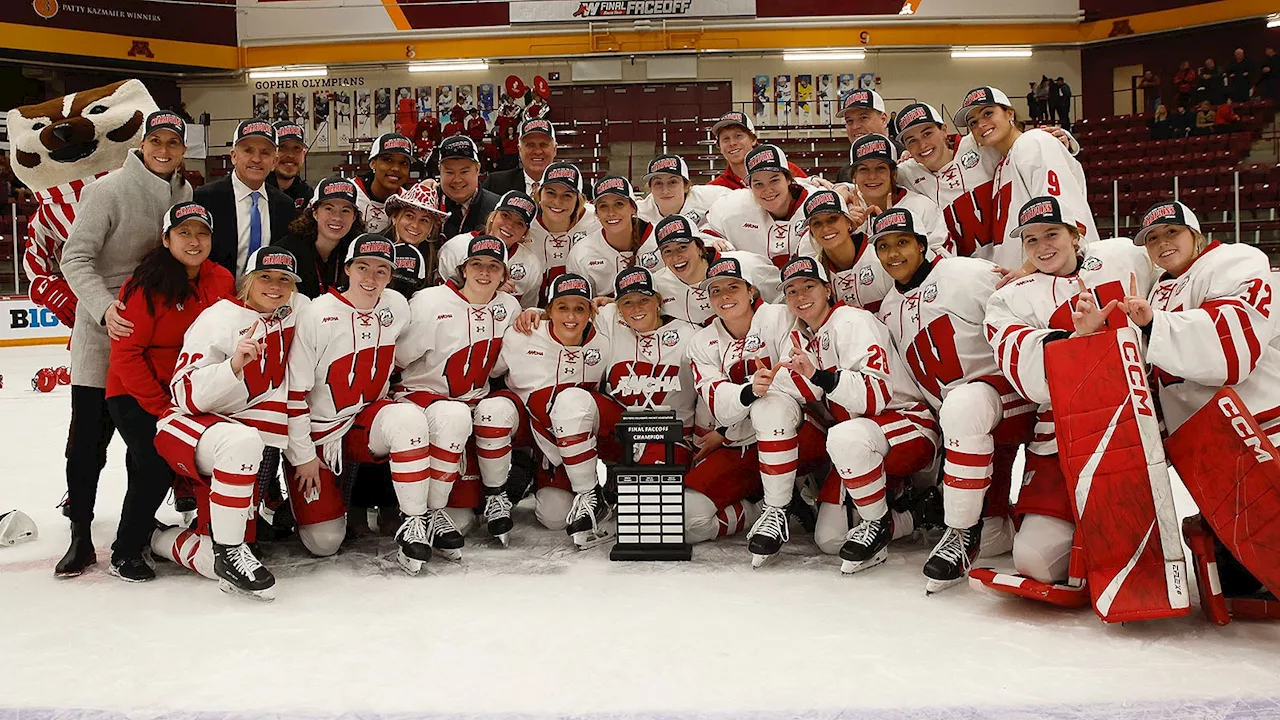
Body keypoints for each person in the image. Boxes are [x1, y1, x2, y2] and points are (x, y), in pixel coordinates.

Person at [983, 195, 1154, 586]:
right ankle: (1075, 523)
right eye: (1031, 240)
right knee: (1035, 562)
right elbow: (1027, 376)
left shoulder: (1123, 256)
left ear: (1076, 235)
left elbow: (1171, 274)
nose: (1043, 246)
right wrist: (1076, 340)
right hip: (1061, 435)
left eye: (1052, 233)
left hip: (1138, 421)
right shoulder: (1009, 297)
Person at [868, 208, 1034, 593]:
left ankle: (960, 533)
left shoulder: (966, 274)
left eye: (903, 243)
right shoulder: (889, 309)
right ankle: (1001, 519)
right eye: (884, 246)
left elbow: (1025, 308)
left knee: (963, 403)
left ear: (923, 245)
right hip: (965, 427)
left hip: (1009, 400)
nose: (894, 254)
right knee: (996, 539)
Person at [56, 111, 193, 577]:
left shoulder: (184, 194)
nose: (164, 149)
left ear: (183, 150)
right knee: (89, 443)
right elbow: (74, 256)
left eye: (173, 143)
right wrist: (103, 306)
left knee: (147, 443)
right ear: (142, 143)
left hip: (157, 344)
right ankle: (79, 531)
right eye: (156, 140)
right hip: (103, 335)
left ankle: (136, 522)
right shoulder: (107, 189)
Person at [283, 234, 447, 575]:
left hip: (364, 419)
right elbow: (294, 394)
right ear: (347, 269)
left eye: (381, 270)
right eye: (363, 267)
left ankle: (414, 523)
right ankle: (303, 506)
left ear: (391, 275)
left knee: (407, 418)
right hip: (321, 433)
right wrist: (304, 457)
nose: (371, 279)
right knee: (324, 542)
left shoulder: (396, 306)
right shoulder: (316, 314)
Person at [152, 247, 307, 600]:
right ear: (248, 281)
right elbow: (184, 394)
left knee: (228, 542)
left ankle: (197, 543)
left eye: (284, 279)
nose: (275, 285)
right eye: (265, 277)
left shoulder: (295, 312)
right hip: (190, 426)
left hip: (241, 439)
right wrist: (233, 365)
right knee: (243, 443)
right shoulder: (219, 317)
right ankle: (184, 542)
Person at [775, 254, 940, 574]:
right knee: (830, 539)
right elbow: (804, 392)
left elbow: (873, 396)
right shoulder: (799, 335)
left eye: (809, 286)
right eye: (791, 291)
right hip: (856, 441)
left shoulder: (853, 321)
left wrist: (818, 375)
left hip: (908, 423)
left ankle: (877, 524)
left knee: (844, 435)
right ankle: (914, 513)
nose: (800, 296)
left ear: (827, 289)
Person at [105, 202, 237, 581]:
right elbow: (126, 353)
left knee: (155, 465)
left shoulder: (222, 280)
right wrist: (161, 406)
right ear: (166, 239)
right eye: (184, 233)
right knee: (154, 466)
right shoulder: (145, 285)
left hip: (188, 395)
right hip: (134, 393)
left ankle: (152, 531)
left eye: (202, 233)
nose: (194, 241)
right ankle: (125, 551)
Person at [685, 257, 825, 567]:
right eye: (716, 291)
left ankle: (777, 509)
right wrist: (751, 389)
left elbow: (808, 383)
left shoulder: (778, 316)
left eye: (733, 287)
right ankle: (762, 507)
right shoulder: (702, 341)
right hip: (740, 443)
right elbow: (719, 405)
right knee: (689, 519)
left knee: (770, 406)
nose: (724, 297)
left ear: (751, 291)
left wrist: (759, 395)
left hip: (801, 435)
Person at [393, 235, 524, 546]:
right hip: (423, 397)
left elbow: (498, 369)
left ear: (504, 275)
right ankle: (429, 511)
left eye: (494, 266)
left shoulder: (509, 306)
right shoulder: (429, 301)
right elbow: (397, 359)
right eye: (476, 264)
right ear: (463, 269)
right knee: (452, 415)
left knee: (498, 409)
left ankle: (495, 494)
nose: (484, 272)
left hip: (471, 401)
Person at [1125, 200, 1280, 458]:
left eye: (1172, 231)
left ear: (1195, 234)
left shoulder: (1234, 260)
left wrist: (1155, 324)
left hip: (1263, 425)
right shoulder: (1153, 292)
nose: (1162, 242)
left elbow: (1232, 352)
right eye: (1152, 238)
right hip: (1205, 440)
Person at [498, 274, 614, 548]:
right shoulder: (523, 334)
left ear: (591, 312)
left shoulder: (606, 339)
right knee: (553, 517)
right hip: (543, 436)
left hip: (589, 431)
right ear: (548, 310)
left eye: (580, 308)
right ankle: (521, 473)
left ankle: (595, 492)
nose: (571, 316)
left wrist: (615, 305)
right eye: (562, 307)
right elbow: (493, 372)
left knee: (571, 400)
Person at [953, 86, 1097, 271]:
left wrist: (1026, 270)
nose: (980, 124)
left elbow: (1061, 214)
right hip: (1030, 278)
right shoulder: (1001, 164)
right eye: (973, 122)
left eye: (988, 113)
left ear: (1009, 113)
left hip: (1057, 275)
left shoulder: (1033, 142)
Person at [194, 120, 296, 277]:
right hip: (216, 296)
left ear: (274, 161)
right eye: (248, 151)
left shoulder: (285, 206)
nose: (256, 159)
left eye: (265, 152)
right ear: (234, 156)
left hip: (266, 297)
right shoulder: (204, 199)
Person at [650, 214, 781, 327]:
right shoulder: (658, 285)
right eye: (667, 251)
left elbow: (782, 302)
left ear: (700, 247)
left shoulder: (746, 264)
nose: (675, 256)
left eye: (682, 247)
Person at [704, 144, 817, 269]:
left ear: (788, 179)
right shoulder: (733, 205)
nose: (767, 190)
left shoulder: (815, 202)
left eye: (774, 180)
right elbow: (703, 234)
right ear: (749, 187)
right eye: (758, 184)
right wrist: (711, 242)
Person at [845, 133, 952, 256]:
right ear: (854, 177)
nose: (872, 176)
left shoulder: (922, 207)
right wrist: (848, 233)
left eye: (880, 168)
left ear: (894, 173)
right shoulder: (847, 212)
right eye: (863, 169)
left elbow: (945, 259)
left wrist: (901, 239)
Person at [438, 190, 542, 308]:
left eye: (519, 223)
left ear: (525, 233)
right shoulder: (455, 248)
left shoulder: (531, 264)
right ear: (493, 216)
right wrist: (487, 287)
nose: (509, 225)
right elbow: (441, 300)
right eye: (505, 215)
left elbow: (525, 313)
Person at [800, 188, 892, 311]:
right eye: (817, 223)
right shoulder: (815, 273)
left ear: (849, 222)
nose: (826, 228)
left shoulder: (879, 255)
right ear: (811, 233)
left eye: (832, 219)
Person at [275, 176, 364, 299]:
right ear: (315, 212)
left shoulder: (359, 252)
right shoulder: (287, 250)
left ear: (354, 217)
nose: (337, 217)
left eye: (345, 211)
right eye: (329, 209)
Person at [567, 175, 655, 296]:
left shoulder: (658, 240)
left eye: (619, 204)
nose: (611, 212)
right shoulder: (581, 252)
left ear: (633, 207)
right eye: (603, 206)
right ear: (596, 213)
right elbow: (577, 303)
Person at [526, 161, 600, 301]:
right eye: (550, 193)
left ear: (578, 199)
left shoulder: (596, 220)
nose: (557, 201)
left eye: (567, 195)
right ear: (538, 194)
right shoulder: (524, 221)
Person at [706, 111, 808, 190]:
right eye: (725, 139)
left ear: (753, 139)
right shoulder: (714, 188)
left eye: (738, 136)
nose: (732, 143)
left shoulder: (786, 169)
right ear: (719, 147)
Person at [636, 154, 730, 231]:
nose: (665, 191)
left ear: (686, 186)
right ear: (650, 188)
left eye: (673, 182)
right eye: (658, 183)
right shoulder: (640, 211)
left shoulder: (710, 196)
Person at [382, 180, 450, 281]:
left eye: (424, 220)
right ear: (395, 217)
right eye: (409, 216)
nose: (415, 225)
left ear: (431, 228)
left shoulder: (437, 261)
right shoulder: (373, 248)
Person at [436, 135, 500, 239]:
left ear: (477, 169)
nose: (457, 180)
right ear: (440, 170)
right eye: (449, 172)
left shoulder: (497, 209)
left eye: (464, 171)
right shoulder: (427, 205)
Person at [352, 132, 415, 234]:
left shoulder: (408, 201)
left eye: (404, 163)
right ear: (372, 163)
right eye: (388, 160)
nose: (396, 168)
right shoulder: (350, 191)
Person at [834, 89, 898, 183]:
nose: (855, 127)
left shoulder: (909, 159)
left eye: (863, 118)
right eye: (849, 121)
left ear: (883, 120)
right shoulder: (844, 173)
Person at [483, 117, 557, 196]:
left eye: (544, 145)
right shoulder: (495, 184)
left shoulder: (569, 187)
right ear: (519, 149)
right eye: (530, 145)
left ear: (555, 149)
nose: (537, 151)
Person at [266, 121, 312, 215]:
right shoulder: (255, 190)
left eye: (296, 148)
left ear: (303, 155)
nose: (290, 155)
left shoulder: (307, 194)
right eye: (282, 147)